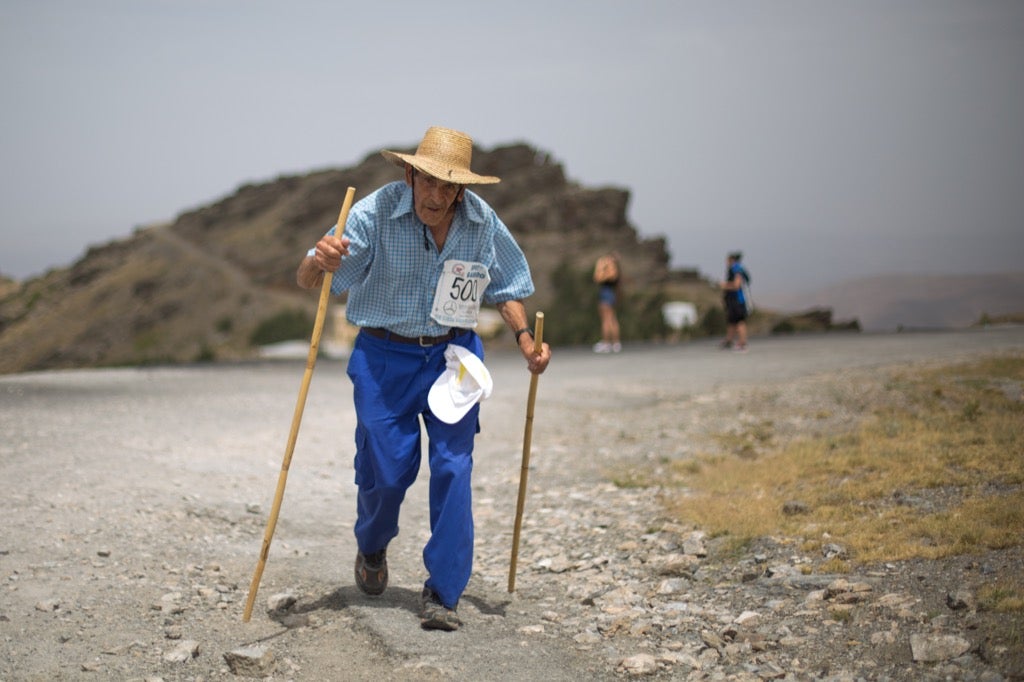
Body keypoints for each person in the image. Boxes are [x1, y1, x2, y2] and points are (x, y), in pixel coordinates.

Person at [296, 126, 551, 631]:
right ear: (410, 174)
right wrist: (317, 261)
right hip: (382, 356)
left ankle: (443, 592)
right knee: (388, 471)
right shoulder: (372, 214)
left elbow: (508, 288)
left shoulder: (482, 223)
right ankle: (371, 545)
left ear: (463, 189)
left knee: (454, 467)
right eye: (428, 182)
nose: (437, 197)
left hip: (453, 355)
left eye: (449, 187)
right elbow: (312, 278)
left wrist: (525, 338)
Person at [720, 251, 751, 352]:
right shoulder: (736, 268)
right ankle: (729, 340)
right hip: (733, 300)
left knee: (739, 321)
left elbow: (736, 285)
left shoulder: (736, 269)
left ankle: (742, 343)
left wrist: (724, 285)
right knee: (732, 321)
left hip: (737, 300)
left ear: (731, 260)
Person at [592, 252, 622, 353]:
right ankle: (615, 342)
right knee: (611, 318)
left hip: (606, 294)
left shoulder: (611, 270)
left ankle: (607, 342)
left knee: (607, 319)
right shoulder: (613, 270)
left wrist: (601, 265)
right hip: (609, 294)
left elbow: (597, 277)